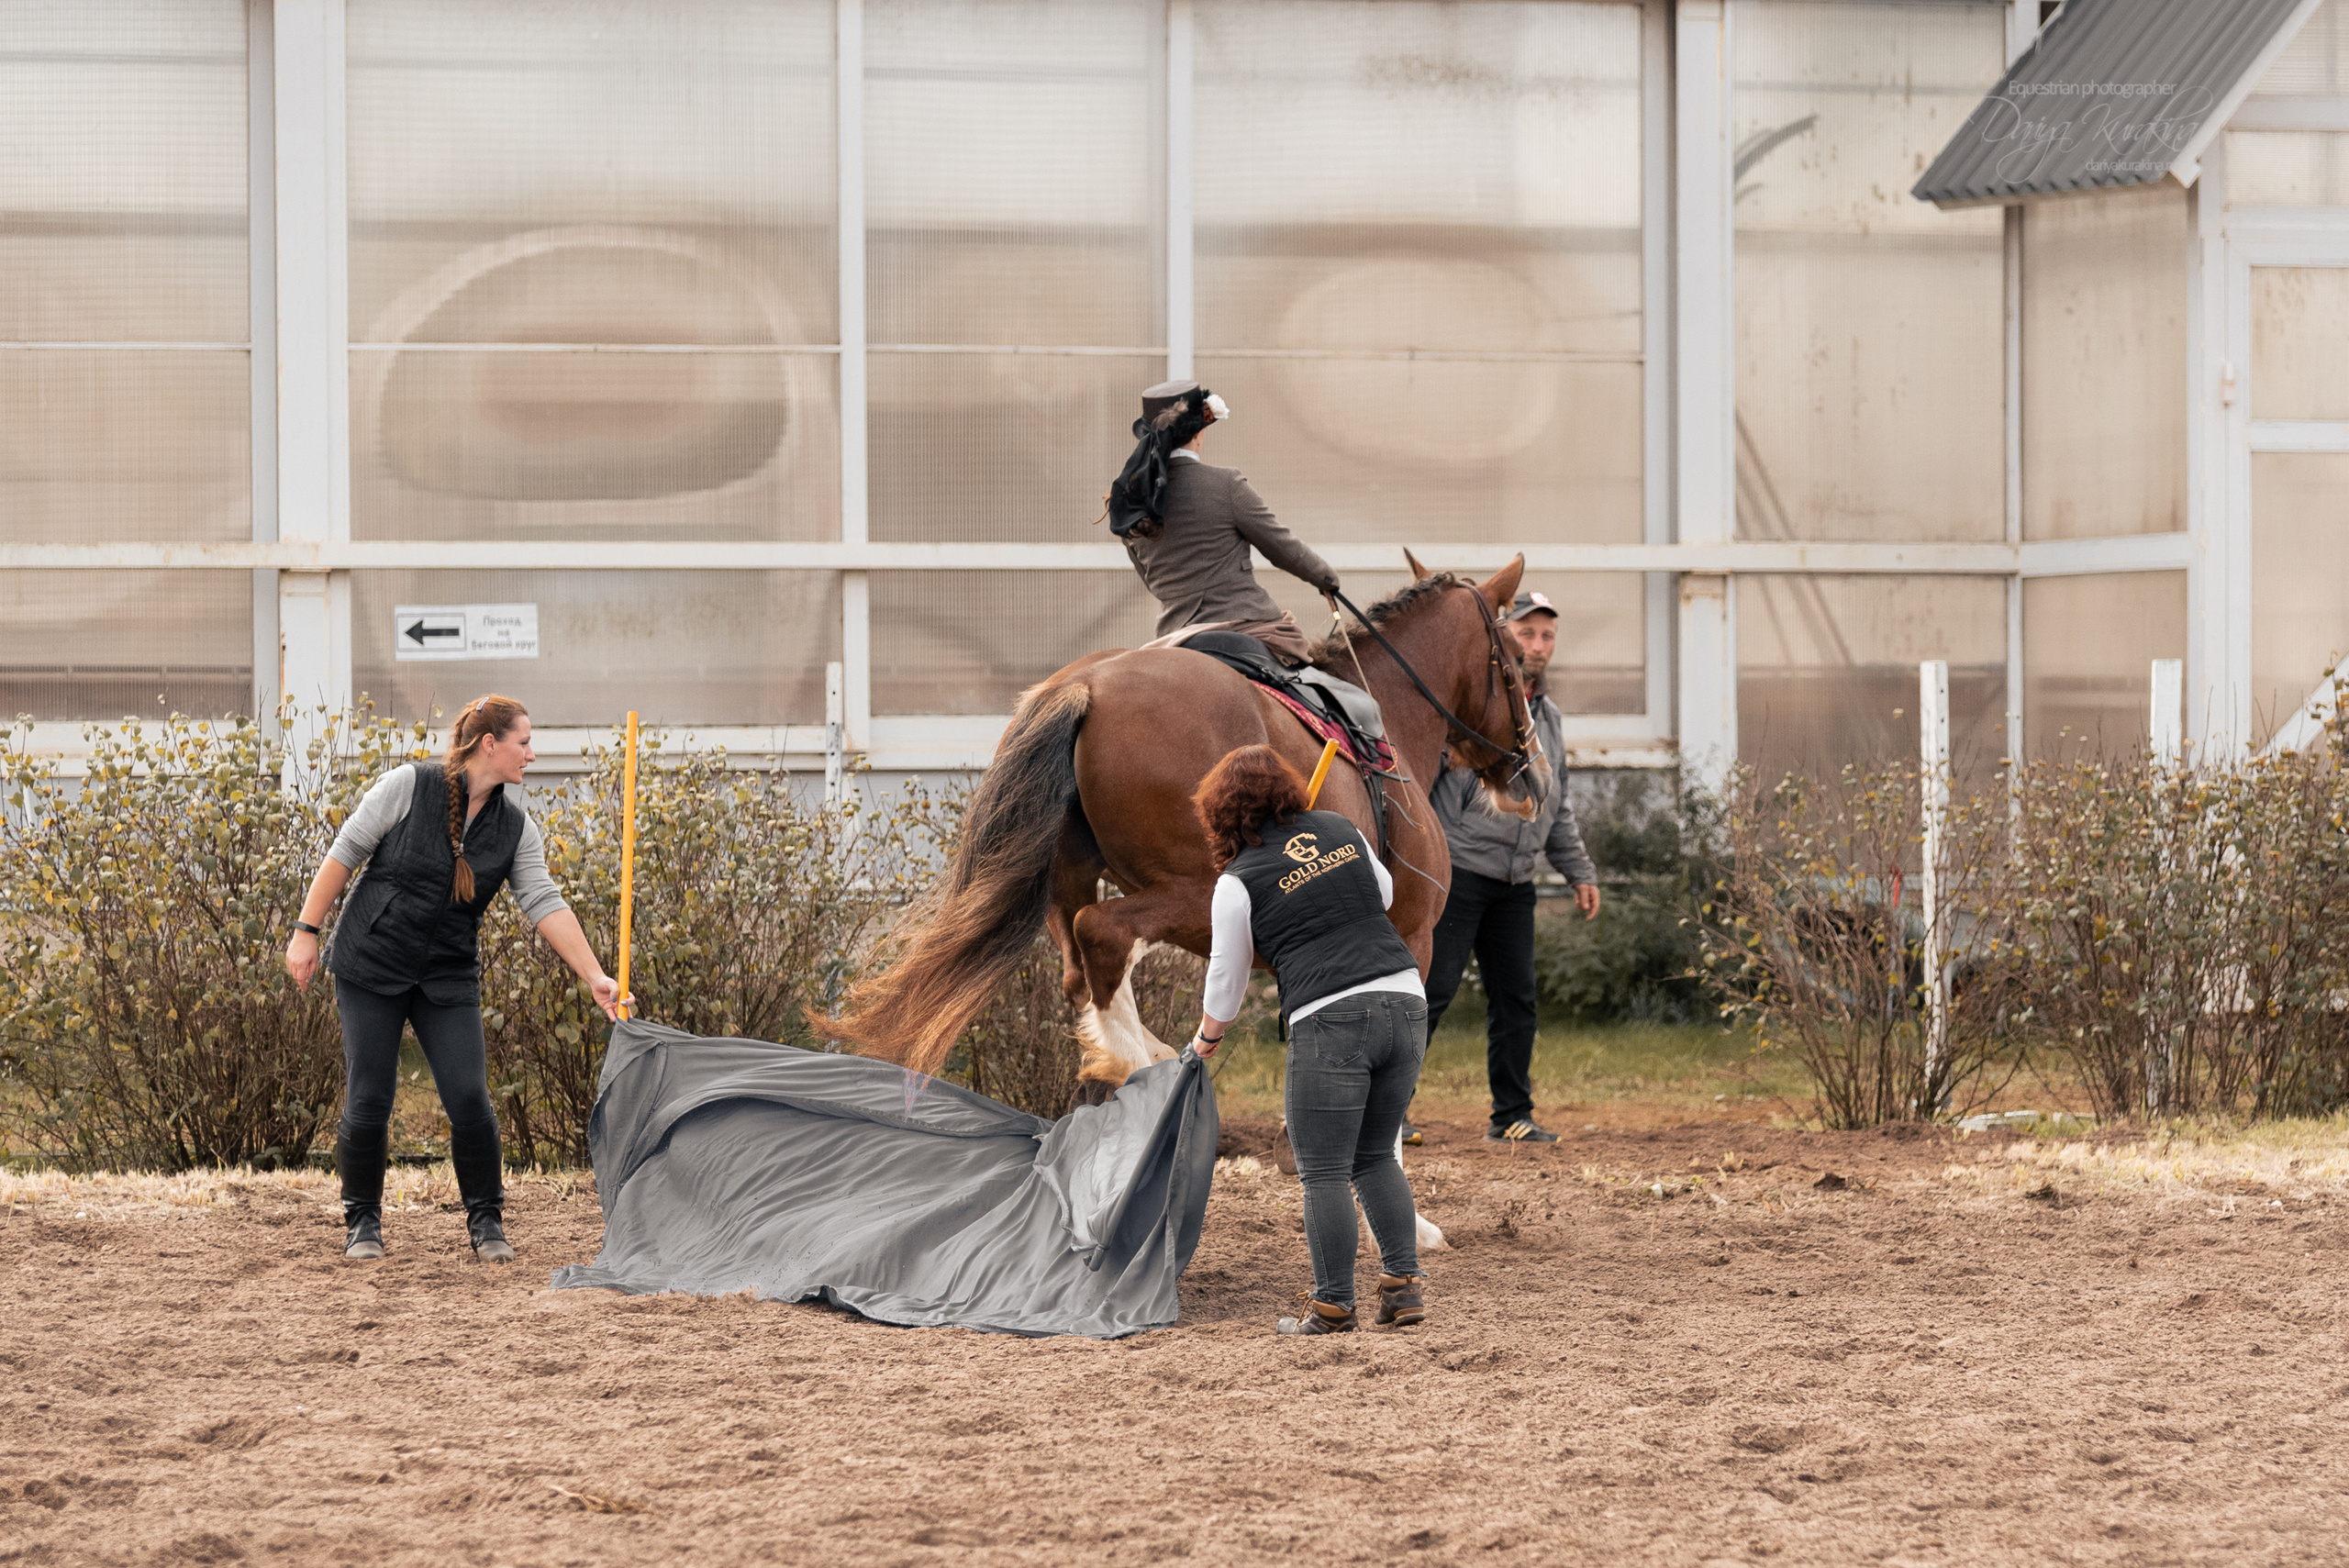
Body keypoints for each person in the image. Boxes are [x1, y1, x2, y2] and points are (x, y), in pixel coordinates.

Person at [283, 695, 627, 1263]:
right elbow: (344, 854)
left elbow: (544, 902)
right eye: (524, 742)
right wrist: (305, 931)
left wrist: (594, 975)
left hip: (447, 971)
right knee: (371, 1096)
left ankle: (486, 1224)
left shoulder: (516, 828)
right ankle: (362, 1223)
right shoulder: (407, 786)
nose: (532, 755)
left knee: (469, 1098)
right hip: (372, 960)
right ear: (490, 744)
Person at [1188, 743, 1428, 1335]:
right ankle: (1402, 1289)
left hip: (1330, 1018)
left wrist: (1205, 1039)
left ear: (1218, 812)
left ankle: (1332, 1305)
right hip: (1406, 1002)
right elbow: (1386, 895)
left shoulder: (1237, 879)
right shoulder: (1341, 826)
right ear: (1288, 789)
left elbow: (1227, 975)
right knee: (1375, 1156)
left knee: (1323, 1170)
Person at [1408, 590, 1602, 1147]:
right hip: (1460, 870)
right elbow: (1421, 785)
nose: (1536, 645)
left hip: (1517, 880)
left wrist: (1579, 871)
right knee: (1432, 989)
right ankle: (1389, 1112)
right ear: (1502, 634)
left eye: (1547, 636)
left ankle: (1511, 1116)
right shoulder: (1472, 707)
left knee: (1516, 999)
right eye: (1527, 632)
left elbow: (1555, 801)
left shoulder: (1550, 719)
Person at [1103, 379, 1341, 666]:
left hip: (1173, 637)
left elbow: (1151, 580)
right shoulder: (1226, 484)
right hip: (1244, 625)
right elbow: (1280, 546)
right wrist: (1326, 579)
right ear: (1199, 433)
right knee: (1314, 690)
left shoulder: (1129, 502)